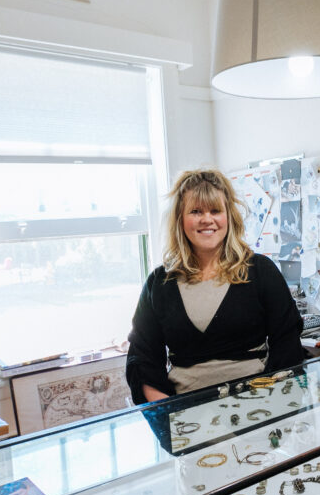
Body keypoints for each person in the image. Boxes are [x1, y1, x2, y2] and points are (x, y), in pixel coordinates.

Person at [125, 169, 305, 403]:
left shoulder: (261, 271)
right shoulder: (159, 283)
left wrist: (272, 403)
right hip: (186, 414)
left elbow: (287, 345)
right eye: (196, 211)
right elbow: (142, 359)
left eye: (215, 210)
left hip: (259, 406)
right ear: (180, 219)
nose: (207, 219)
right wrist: (166, 413)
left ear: (229, 216)